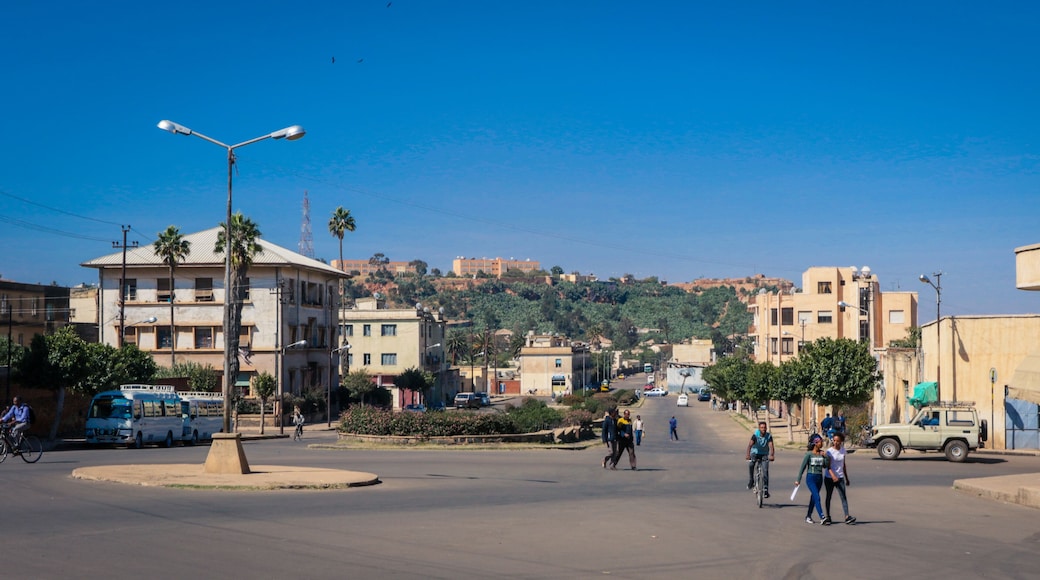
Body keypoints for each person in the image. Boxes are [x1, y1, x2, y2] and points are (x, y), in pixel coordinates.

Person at [824, 432, 857, 525]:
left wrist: (847, 478)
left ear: (841, 441)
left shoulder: (843, 451)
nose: (835, 442)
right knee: (829, 496)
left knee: (843, 497)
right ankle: (828, 516)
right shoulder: (829, 451)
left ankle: (847, 516)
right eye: (834, 440)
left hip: (840, 477)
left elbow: (843, 465)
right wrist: (833, 476)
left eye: (837, 441)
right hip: (829, 478)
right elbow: (828, 466)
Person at [796, 434, 829, 524]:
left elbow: (825, 466)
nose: (822, 443)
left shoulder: (821, 453)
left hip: (819, 478)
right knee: (817, 497)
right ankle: (822, 517)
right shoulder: (809, 454)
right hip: (811, 478)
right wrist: (798, 479)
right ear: (815, 443)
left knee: (814, 498)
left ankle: (808, 516)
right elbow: (802, 467)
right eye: (820, 442)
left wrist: (826, 457)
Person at [745, 421, 775, 498]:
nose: (763, 429)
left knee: (765, 470)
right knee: (751, 464)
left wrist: (771, 455)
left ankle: (765, 489)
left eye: (764, 428)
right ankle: (751, 481)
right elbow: (749, 445)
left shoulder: (768, 436)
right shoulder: (755, 435)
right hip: (755, 453)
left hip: (764, 454)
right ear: (759, 428)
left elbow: (771, 446)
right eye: (761, 428)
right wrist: (748, 455)